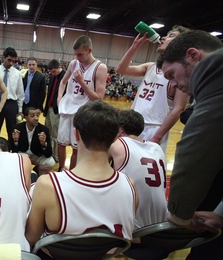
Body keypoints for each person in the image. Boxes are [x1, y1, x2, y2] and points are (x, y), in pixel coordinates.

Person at [25, 101, 138, 257]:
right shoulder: (130, 186)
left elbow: (31, 238)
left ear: (76, 134)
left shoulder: (48, 185)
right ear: (116, 138)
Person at [156, 30, 223, 258]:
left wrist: (179, 216)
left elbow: (195, 151)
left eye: (172, 75)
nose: (173, 86)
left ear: (193, 55)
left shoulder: (216, 75)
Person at [116, 25, 191, 152]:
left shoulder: (182, 73)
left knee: (144, 170)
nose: (164, 38)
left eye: (171, 36)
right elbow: (121, 69)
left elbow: (179, 109)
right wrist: (135, 45)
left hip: (154, 127)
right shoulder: (150, 66)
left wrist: (157, 137)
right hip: (132, 123)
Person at [108, 109, 169, 260]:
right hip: (162, 227)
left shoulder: (118, 144)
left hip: (138, 233)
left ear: (120, 129)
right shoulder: (157, 148)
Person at [56, 35, 107, 171]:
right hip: (67, 109)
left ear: (89, 50)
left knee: (76, 148)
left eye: (80, 54)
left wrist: (82, 83)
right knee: (60, 144)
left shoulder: (100, 68)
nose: (77, 57)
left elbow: (99, 98)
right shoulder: (74, 64)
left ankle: (72, 173)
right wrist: (59, 98)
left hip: (83, 113)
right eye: (75, 54)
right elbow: (63, 81)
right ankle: (61, 168)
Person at [10, 107, 55, 176]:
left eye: (37, 115)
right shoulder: (17, 128)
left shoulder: (44, 130)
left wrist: (44, 144)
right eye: (32, 116)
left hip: (36, 155)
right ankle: (24, 175)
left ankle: (38, 171)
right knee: (22, 160)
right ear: (26, 117)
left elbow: (49, 154)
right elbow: (12, 152)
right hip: (24, 154)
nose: (36, 118)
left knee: (51, 162)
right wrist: (15, 141)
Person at [0, 47, 25, 140]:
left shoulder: (17, 74)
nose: (11, 63)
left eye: (13, 61)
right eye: (9, 60)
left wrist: (20, 110)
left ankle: (12, 151)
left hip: (11, 104)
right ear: (3, 58)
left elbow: (20, 93)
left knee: (12, 131)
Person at [44, 59, 66, 162]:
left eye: (54, 71)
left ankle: (56, 156)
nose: (52, 74)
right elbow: (49, 94)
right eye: (51, 72)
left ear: (59, 67)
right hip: (49, 108)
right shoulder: (53, 77)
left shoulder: (66, 77)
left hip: (57, 110)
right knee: (47, 132)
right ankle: (48, 152)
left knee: (55, 135)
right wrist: (45, 109)